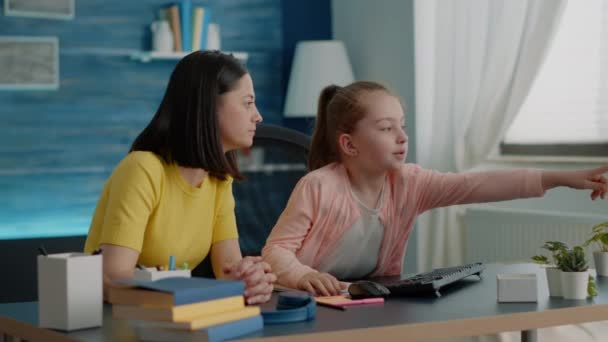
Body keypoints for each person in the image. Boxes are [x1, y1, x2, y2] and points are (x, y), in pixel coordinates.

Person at [262, 81, 608, 296]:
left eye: (403, 125)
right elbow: (275, 252)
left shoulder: (409, 183)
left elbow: (477, 185)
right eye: (386, 128)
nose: (402, 136)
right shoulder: (318, 187)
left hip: (366, 304)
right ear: (349, 145)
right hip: (309, 305)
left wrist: (562, 177)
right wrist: (305, 276)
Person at [84, 51, 276, 304]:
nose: (258, 116)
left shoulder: (218, 180)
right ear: (208, 105)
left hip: (170, 318)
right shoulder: (142, 170)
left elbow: (229, 272)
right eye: (248, 103)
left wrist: (250, 281)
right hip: (114, 319)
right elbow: (113, 280)